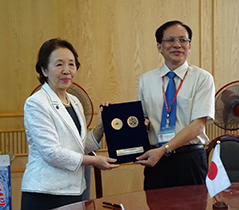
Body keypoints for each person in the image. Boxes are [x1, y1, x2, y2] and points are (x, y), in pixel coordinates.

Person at [21, 38, 119, 210]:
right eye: (59, 65)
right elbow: (52, 153)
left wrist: (99, 129)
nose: (67, 71)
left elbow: (78, 146)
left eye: (71, 64)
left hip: (75, 190)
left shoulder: (74, 101)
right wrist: (94, 161)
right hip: (46, 193)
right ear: (44, 69)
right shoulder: (36, 103)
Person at [135, 20, 215, 190]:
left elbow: (198, 126)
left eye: (183, 40)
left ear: (189, 46)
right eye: (170, 40)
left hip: (190, 159)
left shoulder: (202, 78)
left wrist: (164, 149)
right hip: (156, 159)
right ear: (159, 47)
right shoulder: (146, 80)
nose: (177, 45)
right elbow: (143, 119)